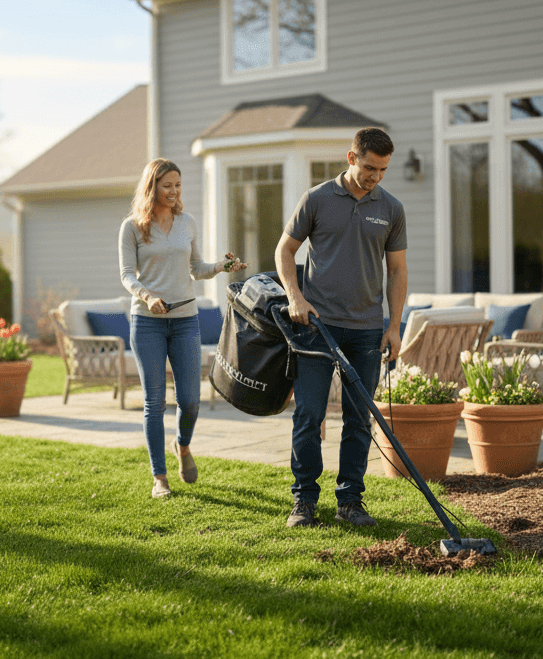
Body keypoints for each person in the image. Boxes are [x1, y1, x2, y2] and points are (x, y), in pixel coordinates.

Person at [274, 127, 407, 527]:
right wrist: (295, 297)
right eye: (369, 168)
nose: (375, 177)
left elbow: (397, 269)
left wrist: (394, 325)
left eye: (383, 170)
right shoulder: (316, 199)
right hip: (317, 327)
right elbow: (284, 249)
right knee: (309, 415)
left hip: (367, 329)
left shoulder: (391, 208)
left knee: (357, 418)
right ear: (352, 159)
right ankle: (304, 500)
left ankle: (350, 501)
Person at [120, 158, 248, 498]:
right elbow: (127, 275)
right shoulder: (132, 227)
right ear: (152, 187)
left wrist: (222, 266)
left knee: (190, 401)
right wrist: (147, 296)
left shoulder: (187, 223)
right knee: (155, 402)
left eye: (178, 185)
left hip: (184, 321)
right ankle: (159, 478)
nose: (174, 191)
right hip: (147, 323)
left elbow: (195, 269)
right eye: (167, 185)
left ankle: (183, 445)